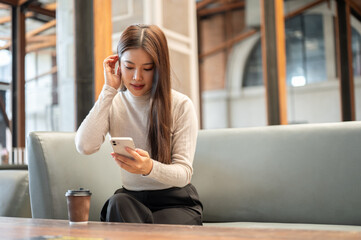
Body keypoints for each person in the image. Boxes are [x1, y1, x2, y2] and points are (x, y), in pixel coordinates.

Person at [75, 24, 203, 225]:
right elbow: (84, 145)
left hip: (175, 203)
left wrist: (149, 167)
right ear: (118, 64)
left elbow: (183, 174)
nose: (137, 77)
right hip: (132, 200)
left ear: (160, 67)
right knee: (118, 203)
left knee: (151, 227)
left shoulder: (180, 105)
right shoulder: (114, 102)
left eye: (147, 68)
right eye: (129, 67)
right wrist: (109, 90)